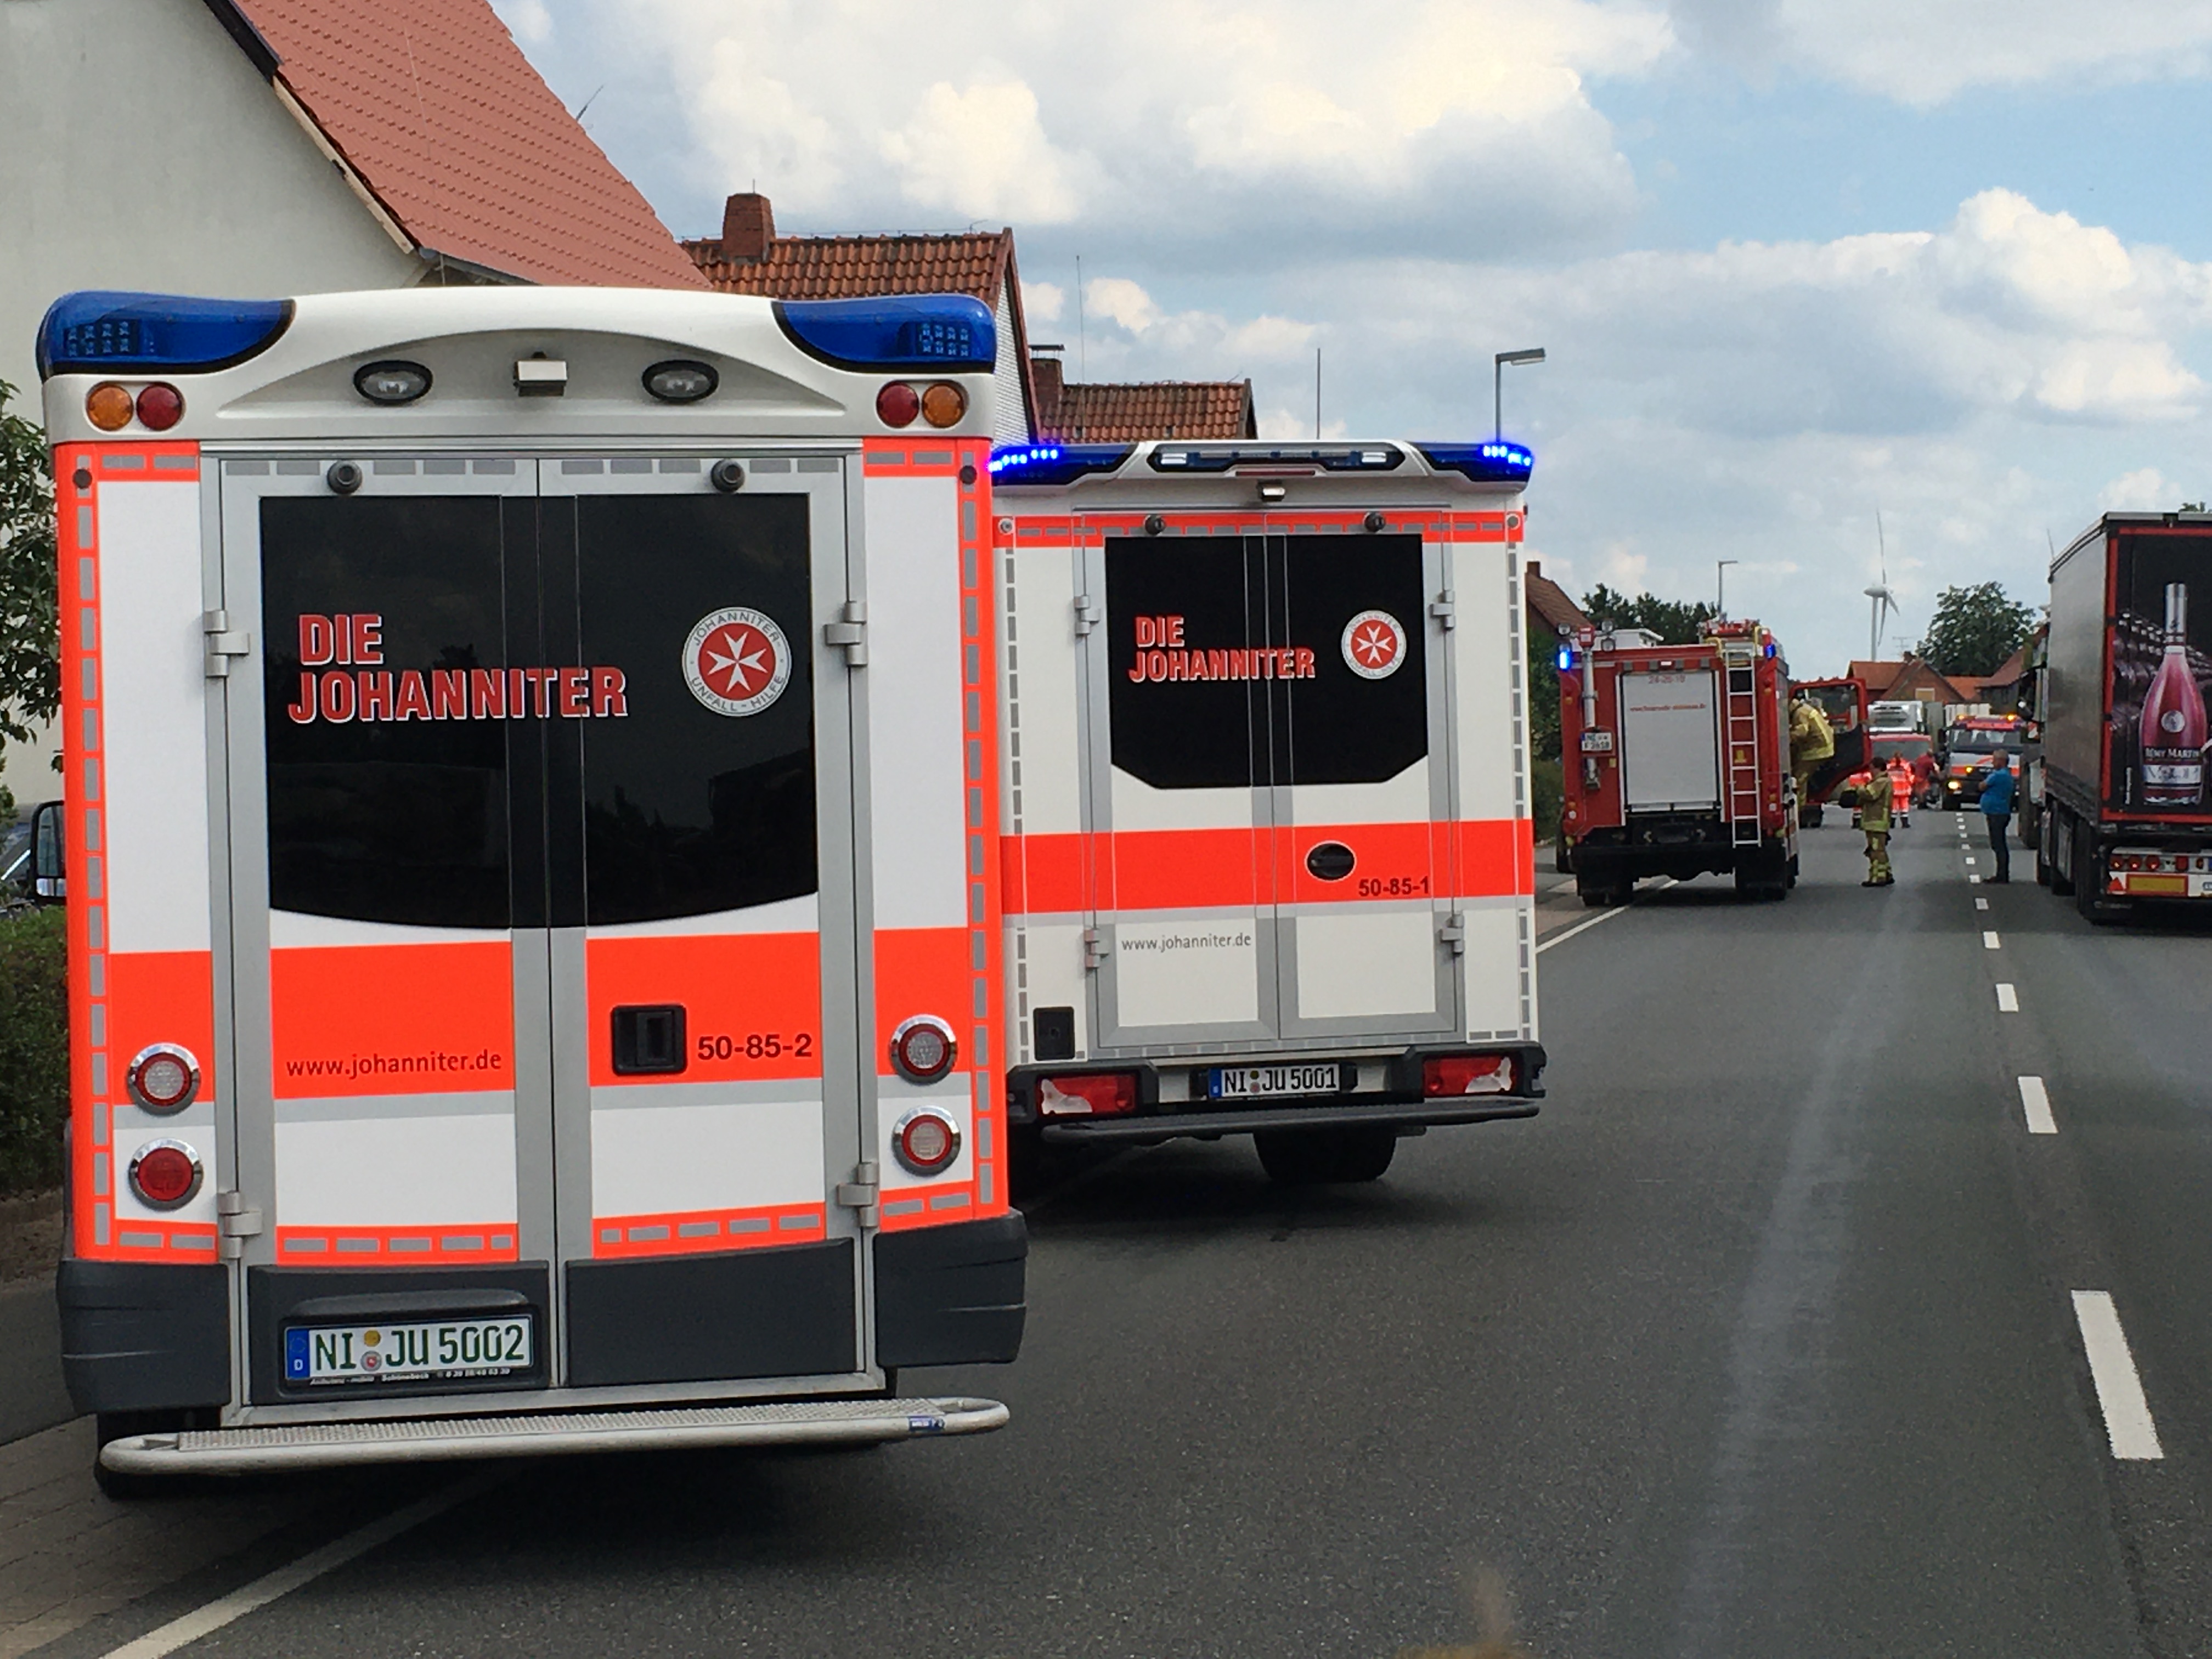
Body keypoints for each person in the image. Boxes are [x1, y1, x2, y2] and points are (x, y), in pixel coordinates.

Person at [1788, 693, 1835, 812]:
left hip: (1816, 750)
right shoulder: (1806, 709)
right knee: (1802, 776)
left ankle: (1798, 809)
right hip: (1825, 747)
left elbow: (1802, 732)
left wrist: (1786, 738)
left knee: (1799, 778)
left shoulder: (1799, 714)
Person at [1850, 763, 1893, 885]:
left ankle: (1877, 878)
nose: (1870, 771)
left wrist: (1859, 788)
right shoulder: (1883, 781)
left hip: (1876, 820)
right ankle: (1887, 874)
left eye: (1872, 769)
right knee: (1880, 849)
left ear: (1878, 768)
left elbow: (1870, 794)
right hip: (1879, 820)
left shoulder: (1881, 782)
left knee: (1875, 851)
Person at [1979, 752, 2016, 882]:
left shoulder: (1999, 775)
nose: (1993, 763)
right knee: (1998, 844)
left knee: (1998, 845)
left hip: (1997, 813)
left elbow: (1982, 786)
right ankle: (2002, 873)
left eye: (1995, 760)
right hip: (1999, 812)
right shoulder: (2006, 775)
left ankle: (2002, 875)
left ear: (2002, 761)